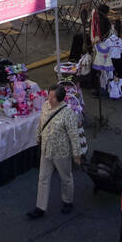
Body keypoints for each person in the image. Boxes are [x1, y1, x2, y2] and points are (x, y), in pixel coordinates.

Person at [27, 85, 83, 219]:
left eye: (53, 97)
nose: (49, 99)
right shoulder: (46, 106)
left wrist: (76, 154)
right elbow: (41, 123)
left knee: (66, 178)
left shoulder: (68, 114)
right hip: (46, 149)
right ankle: (40, 207)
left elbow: (74, 135)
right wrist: (37, 137)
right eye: (49, 95)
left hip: (61, 152)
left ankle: (68, 201)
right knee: (43, 178)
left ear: (60, 98)